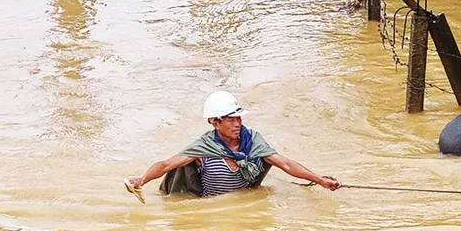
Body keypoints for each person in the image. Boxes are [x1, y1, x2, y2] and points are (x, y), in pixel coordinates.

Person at [125, 91, 341, 198]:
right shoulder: (204, 148)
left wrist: (319, 180)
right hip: (211, 208)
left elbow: (285, 164)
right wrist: (142, 180)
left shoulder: (253, 142)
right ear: (215, 122)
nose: (238, 124)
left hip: (246, 204)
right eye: (231, 119)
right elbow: (165, 165)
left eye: (239, 118)